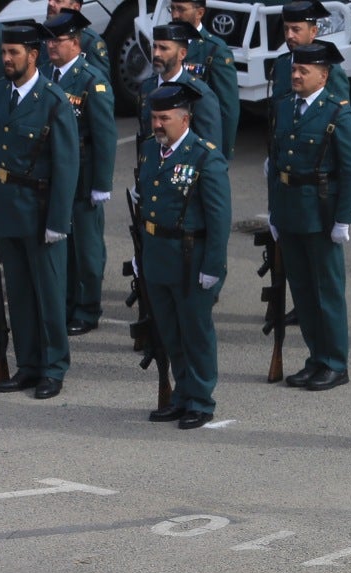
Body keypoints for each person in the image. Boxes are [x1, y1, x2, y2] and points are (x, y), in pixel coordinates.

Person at [0, 20, 76, 398]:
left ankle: (53, 367)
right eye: (4, 52)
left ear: (33, 56)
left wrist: (58, 219)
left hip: (40, 211)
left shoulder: (53, 101)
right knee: (18, 293)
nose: (6, 59)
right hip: (8, 208)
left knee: (49, 294)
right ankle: (28, 364)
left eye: (13, 53)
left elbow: (67, 166)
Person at [134, 78, 229, 430]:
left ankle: (201, 399)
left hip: (192, 256)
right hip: (158, 254)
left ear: (185, 119)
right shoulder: (149, 151)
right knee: (170, 332)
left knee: (196, 332)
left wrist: (213, 265)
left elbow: (219, 217)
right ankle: (182, 394)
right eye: (154, 117)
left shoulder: (204, 156)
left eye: (165, 119)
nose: (157, 125)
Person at [266, 38, 351, 391]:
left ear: (323, 76)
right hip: (290, 208)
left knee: (327, 291)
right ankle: (316, 357)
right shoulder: (286, 106)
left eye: (304, 70)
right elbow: (277, 163)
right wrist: (274, 210)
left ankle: (336, 362)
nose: (296, 74)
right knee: (303, 291)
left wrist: (343, 219)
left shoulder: (338, 111)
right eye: (294, 68)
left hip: (320, 211)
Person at [44, 10, 113, 336]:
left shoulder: (91, 80)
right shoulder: (45, 74)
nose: (51, 47)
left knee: (85, 247)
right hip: (53, 172)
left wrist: (101, 183)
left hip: (84, 175)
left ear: (75, 42)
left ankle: (87, 307)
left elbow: (104, 136)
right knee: (61, 242)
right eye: (49, 40)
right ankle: (67, 301)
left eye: (57, 41)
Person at [135, 23, 219, 155]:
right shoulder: (147, 88)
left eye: (164, 48)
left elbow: (210, 152)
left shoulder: (200, 94)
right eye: (154, 47)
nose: (156, 54)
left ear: (182, 54)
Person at [166, 0, 236, 156]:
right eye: (172, 8)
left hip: (196, 142)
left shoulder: (214, 49)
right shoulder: (166, 44)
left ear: (199, 13)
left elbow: (227, 108)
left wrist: (221, 156)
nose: (175, 15)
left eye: (181, 9)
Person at [269, 1, 347, 113]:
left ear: (313, 32)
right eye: (286, 29)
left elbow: (340, 114)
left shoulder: (330, 69)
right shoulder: (281, 64)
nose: (289, 36)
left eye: (296, 30)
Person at [44, 0, 109, 76]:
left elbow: (100, 82)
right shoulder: (44, 36)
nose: (50, 3)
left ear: (75, 7)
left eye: (58, 1)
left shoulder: (89, 42)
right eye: (50, 0)